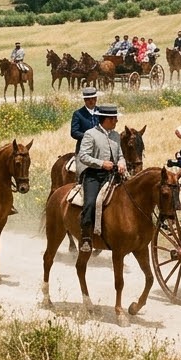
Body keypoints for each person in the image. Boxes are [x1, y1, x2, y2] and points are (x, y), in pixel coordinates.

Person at [76, 104, 124, 253]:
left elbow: (120, 154)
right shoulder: (90, 134)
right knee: (90, 202)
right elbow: (83, 156)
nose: (116, 121)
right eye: (114, 118)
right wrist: (101, 164)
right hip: (94, 175)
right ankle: (86, 237)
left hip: (114, 175)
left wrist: (122, 162)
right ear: (107, 119)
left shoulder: (116, 135)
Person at [70, 86, 101, 155]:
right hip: (84, 149)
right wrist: (88, 136)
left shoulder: (101, 112)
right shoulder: (78, 114)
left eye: (93, 98)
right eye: (88, 99)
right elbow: (74, 132)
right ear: (84, 100)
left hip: (101, 148)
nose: (91, 101)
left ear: (96, 99)